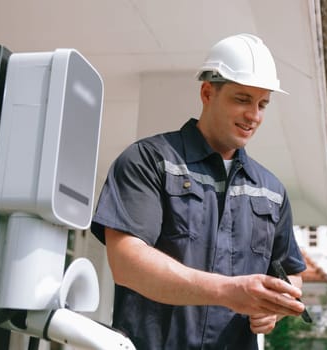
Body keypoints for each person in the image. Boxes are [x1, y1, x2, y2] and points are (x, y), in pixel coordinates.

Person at [90, 33, 307, 350]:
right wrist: (227, 291)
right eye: (242, 99)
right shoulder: (150, 161)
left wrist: (274, 308)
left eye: (262, 104)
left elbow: (292, 275)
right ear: (207, 92)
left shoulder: (271, 191)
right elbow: (126, 264)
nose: (254, 115)